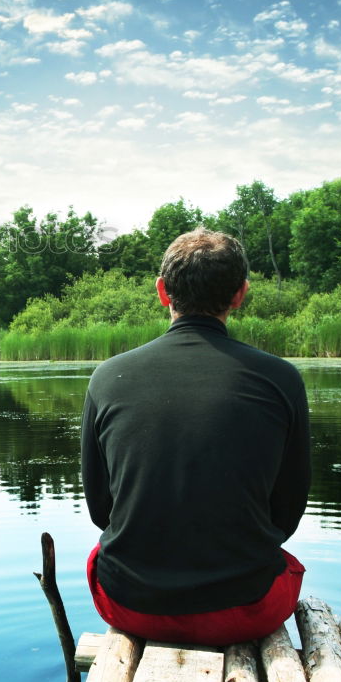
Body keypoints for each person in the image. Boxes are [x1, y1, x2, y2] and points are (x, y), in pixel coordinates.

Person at [81, 228, 311, 645]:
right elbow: (288, 512)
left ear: (162, 292)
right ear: (240, 293)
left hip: (132, 603)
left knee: (100, 554)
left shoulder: (107, 378)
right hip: (246, 608)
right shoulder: (281, 379)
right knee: (283, 561)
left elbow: (102, 510)